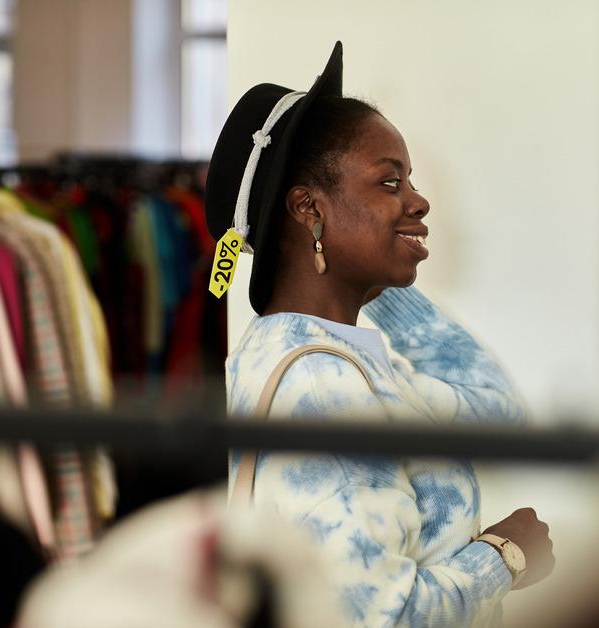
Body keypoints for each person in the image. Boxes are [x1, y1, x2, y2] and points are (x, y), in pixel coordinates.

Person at [205, 42, 554, 627]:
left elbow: (496, 417)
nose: (418, 200)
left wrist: (373, 275)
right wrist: (503, 557)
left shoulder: (334, 354)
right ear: (309, 210)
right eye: (390, 183)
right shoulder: (320, 386)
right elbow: (384, 619)